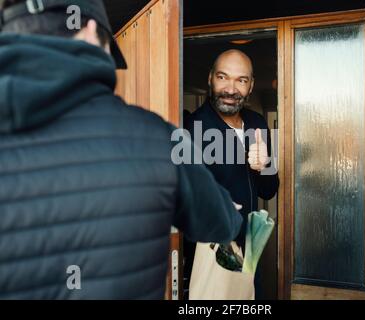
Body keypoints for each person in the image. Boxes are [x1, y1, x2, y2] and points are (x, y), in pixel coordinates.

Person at [0, 0, 242, 299]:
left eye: (241, 79)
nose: (232, 87)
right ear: (90, 31)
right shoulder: (160, 139)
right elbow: (220, 223)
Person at [184, 49, 279, 299]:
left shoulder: (257, 123)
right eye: (223, 77)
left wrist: (265, 166)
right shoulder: (191, 129)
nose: (230, 88)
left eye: (241, 80)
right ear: (210, 78)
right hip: (212, 252)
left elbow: (269, 190)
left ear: (251, 86)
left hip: (250, 246)